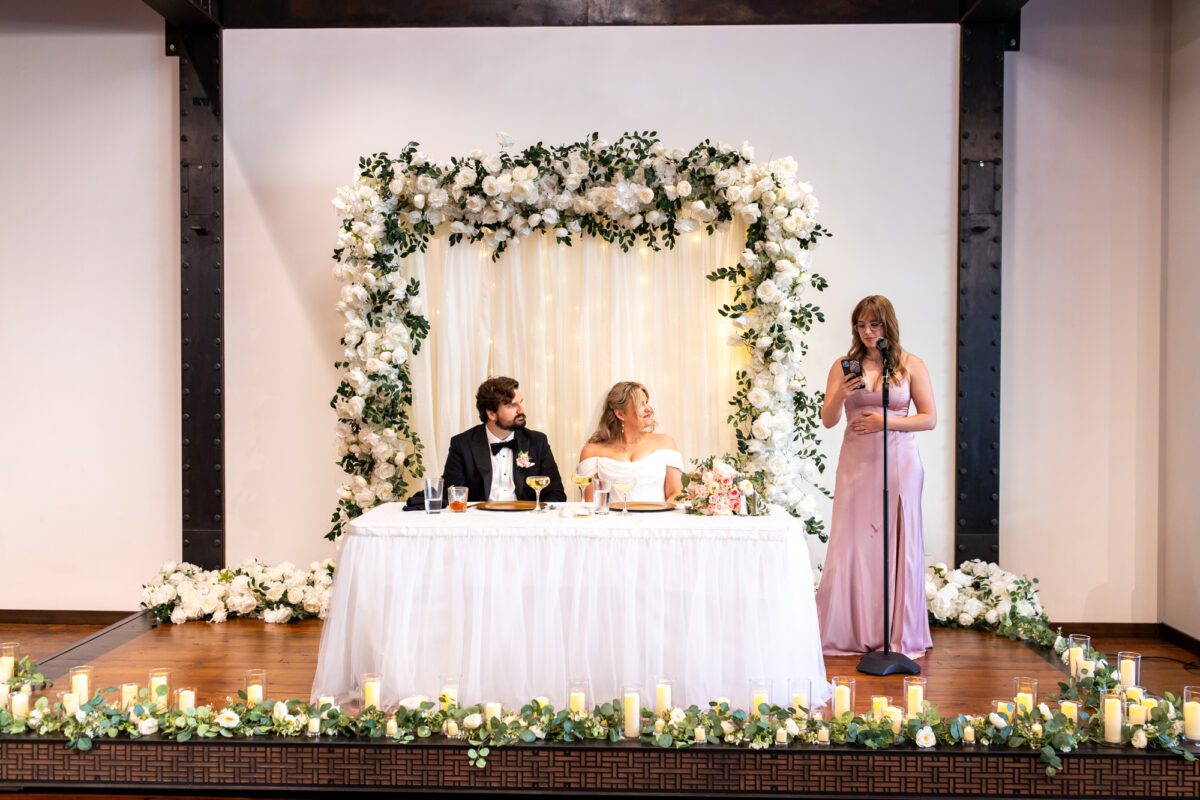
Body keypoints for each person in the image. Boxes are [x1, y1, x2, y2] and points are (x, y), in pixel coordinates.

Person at [814, 295, 936, 659]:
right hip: (856, 461)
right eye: (861, 325)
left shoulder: (911, 364)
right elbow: (828, 419)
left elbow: (929, 418)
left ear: (888, 326)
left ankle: (896, 633)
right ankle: (851, 631)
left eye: (874, 325)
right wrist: (839, 394)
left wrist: (887, 420)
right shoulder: (843, 365)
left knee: (897, 541)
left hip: (900, 462)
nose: (867, 332)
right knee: (853, 542)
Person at [438, 376, 566, 503]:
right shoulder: (462, 444)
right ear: (492, 414)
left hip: (526, 519)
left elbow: (555, 494)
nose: (521, 410)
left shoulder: (537, 441)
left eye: (520, 403)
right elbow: (452, 494)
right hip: (480, 520)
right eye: (512, 405)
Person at [576, 382, 683, 503]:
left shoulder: (665, 443)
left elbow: (676, 494)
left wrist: (657, 519)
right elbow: (590, 502)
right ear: (620, 414)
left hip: (658, 519)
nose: (648, 409)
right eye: (640, 404)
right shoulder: (591, 451)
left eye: (647, 402)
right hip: (610, 521)